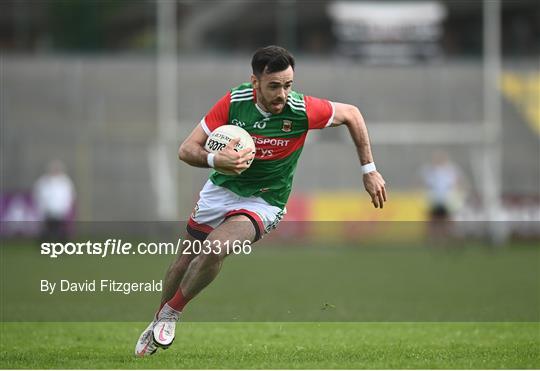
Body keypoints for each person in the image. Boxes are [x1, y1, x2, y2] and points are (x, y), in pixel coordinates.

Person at [135, 45, 387, 356]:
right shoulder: (234, 102)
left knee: (216, 249)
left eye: (288, 85)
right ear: (255, 82)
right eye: (274, 86)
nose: (283, 94)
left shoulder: (301, 109)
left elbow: (352, 114)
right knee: (183, 261)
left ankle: (172, 313)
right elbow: (186, 149)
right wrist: (216, 160)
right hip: (221, 190)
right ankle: (158, 320)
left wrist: (369, 170)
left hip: (264, 201)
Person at [33, 160, 75, 242]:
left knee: (61, 229)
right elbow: (39, 195)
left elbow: (69, 195)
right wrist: (42, 208)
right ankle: (45, 245)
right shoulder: (43, 181)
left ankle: (62, 245)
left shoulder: (65, 181)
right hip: (48, 210)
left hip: (61, 210)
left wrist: (66, 207)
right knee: (48, 229)